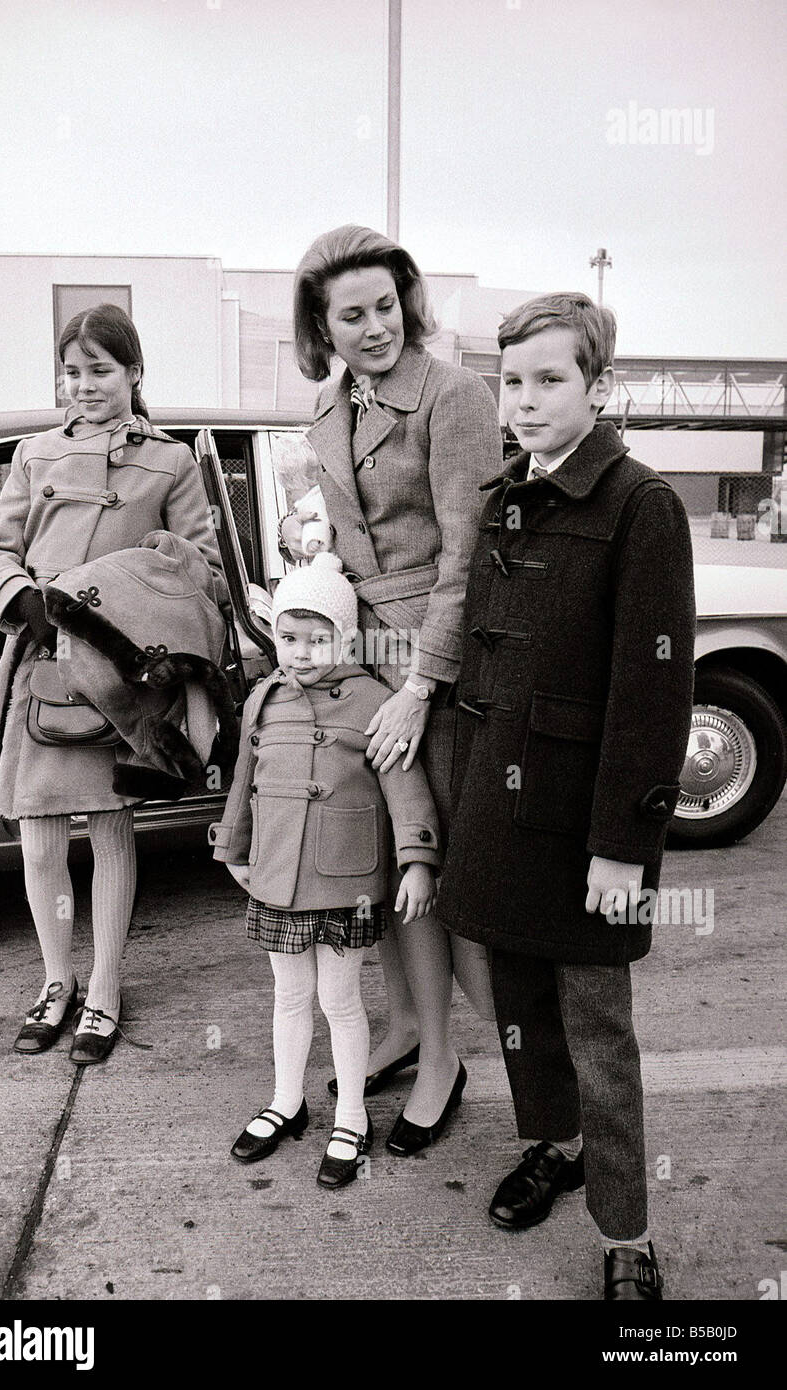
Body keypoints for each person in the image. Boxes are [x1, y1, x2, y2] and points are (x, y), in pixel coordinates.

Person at [436, 292, 696, 1299]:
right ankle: (551, 1142)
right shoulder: (504, 497)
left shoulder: (640, 505)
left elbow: (652, 689)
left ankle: (626, 1237)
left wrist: (625, 844)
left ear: (598, 386)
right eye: (512, 381)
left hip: (588, 829)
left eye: (550, 379)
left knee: (596, 1031)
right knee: (519, 1013)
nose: (527, 400)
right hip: (501, 817)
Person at [283, 225, 503, 1156]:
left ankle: (446, 1058)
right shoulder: (329, 411)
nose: (374, 327)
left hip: (436, 662)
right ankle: (407, 1029)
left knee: (438, 862)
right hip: (359, 654)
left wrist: (421, 682)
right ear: (321, 325)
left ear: (405, 301)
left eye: (384, 305)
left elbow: (471, 553)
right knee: (385, 862)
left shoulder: (452, 394)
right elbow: (340, 547)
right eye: (351, 314)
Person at [0, 304, 226, 1064]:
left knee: (114, 832)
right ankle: (57, 982)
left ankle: (107, 988)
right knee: (43, 839)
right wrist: (25, 600)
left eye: (100, 371)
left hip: (122, 676)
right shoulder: (34, 454)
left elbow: (204, 571)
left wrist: (148, 566)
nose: (83, 386)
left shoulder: (173, 462)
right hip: (44, 662)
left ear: (135, 373)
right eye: (72, 371)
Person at [210, 553, 442, 1188]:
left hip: (345, 883)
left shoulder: (376, 700)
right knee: (288, 996)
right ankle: (287, 1100)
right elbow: (244, 782)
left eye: (319, 640)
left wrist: (416, 862)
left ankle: (350, 1115)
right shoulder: (263, 697)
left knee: (340, 1001)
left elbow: (404, 789)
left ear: (346, 636)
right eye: (289, 638)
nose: (302, 653)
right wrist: (234, 848)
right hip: (278, 876)